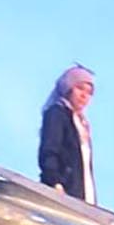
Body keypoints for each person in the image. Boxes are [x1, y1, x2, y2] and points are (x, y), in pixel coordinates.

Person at [37, 66, 96, 203]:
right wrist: (55, 183)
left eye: (89, 92)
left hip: (83, 197)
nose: (84, 96)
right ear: (68, 89)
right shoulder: (57, 114)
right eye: (80, 88)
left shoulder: (82, 125)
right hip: (62, 193)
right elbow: (49, 150)